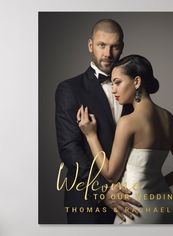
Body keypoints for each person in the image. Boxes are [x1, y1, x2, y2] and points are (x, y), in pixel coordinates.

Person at [77, 54, 173, 224]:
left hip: (135, 209)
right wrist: (156, 187)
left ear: (137, 82)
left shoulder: (128, 122)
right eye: (112, 83)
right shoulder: (169, 117)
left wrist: (91, 135)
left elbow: (110, 174)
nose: (113, 89)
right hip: (166, 206)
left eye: (117, 82)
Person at [55, 19, 141, 224]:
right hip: (87, 201)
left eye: (115, 47)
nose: (108, 54)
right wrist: (103, 191)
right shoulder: (69, 89)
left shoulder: (133, 89)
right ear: (90, 45)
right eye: (102, 45)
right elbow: (70, 148)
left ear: (122, 48)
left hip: (129, 197)